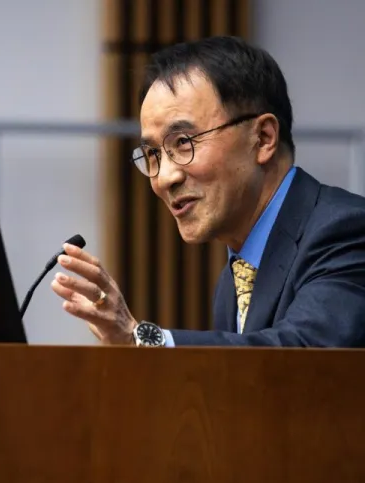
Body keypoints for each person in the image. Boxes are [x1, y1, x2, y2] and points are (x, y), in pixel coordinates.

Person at [50, 35, 365, 347]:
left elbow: (306, 355)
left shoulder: (346, 231)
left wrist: (144, 341)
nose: (164, 178)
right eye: (153, 155)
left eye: (184, 142)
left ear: (264, 138)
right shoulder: (233, 280)